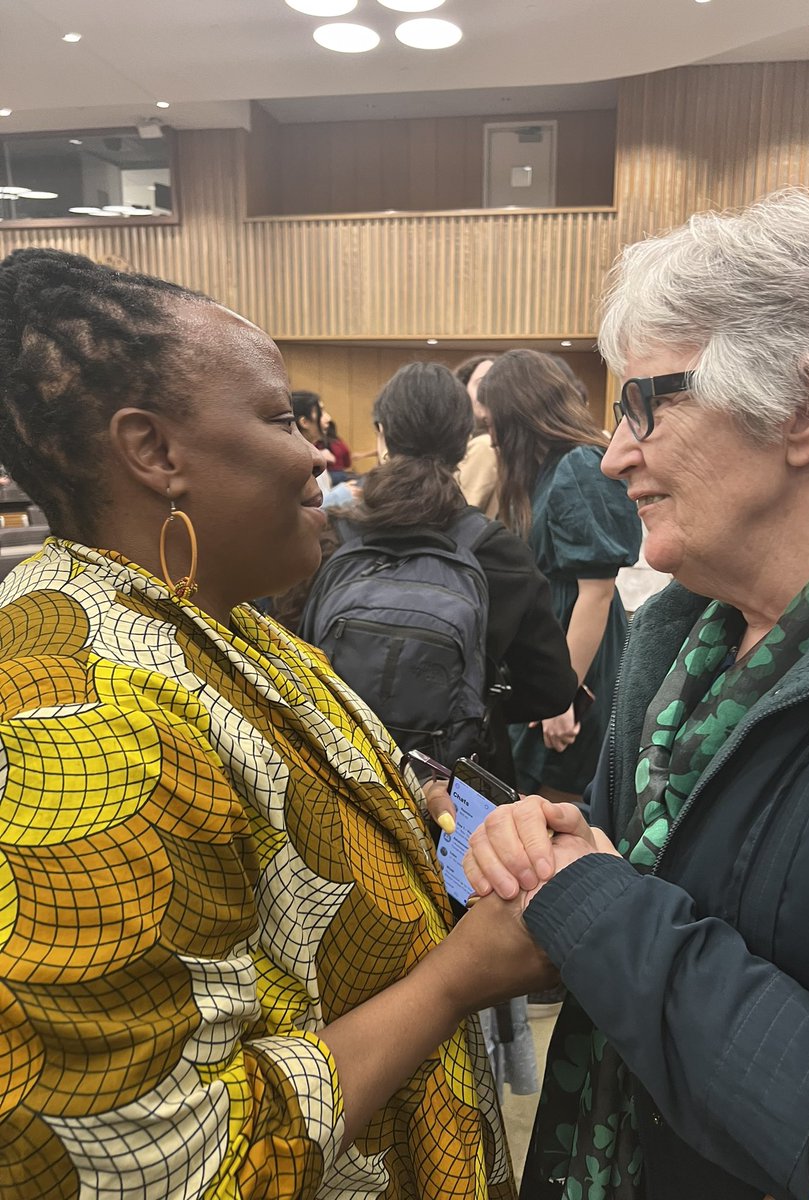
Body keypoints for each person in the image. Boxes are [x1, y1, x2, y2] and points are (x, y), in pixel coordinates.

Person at [0, 247, 556, 1199]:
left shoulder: (227, 618)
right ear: (155, 452)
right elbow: (161, 1160)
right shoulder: (68, 716)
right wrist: (458, 980)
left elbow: (295, 806)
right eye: (277, 418)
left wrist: (439, 813)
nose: (316, 452)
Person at [462, 191, 809, 1199]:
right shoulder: (678, 647)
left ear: (803, 409)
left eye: (646, 403)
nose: (614, 453)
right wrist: (549, 852)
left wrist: (591, 900)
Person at [304, 360, 577, 795]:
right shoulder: (500, 551)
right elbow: (553, 690)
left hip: (338, 778)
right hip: (457, 785)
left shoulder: (326, 535)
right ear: (466, 442)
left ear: (382, 435)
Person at [478, 349, 641, 804]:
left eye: (492, 422)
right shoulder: (550, 469)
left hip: (578, 661)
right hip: (558, 655)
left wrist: (561, 694)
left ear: (518, 414)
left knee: (559, 805)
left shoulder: (579, 465)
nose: (490, 437)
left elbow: (598, 591)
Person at [455, 354, 500, 517]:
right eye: (482, 384)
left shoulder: (484, 445)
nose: (487, 393)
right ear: (462, 390)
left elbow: (459, 513)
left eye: (495, 386)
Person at [320, 409, 353, 483]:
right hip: (340, 474)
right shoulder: (338, 442)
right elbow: (347, 459)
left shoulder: (316, 443)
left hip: (323, 476)